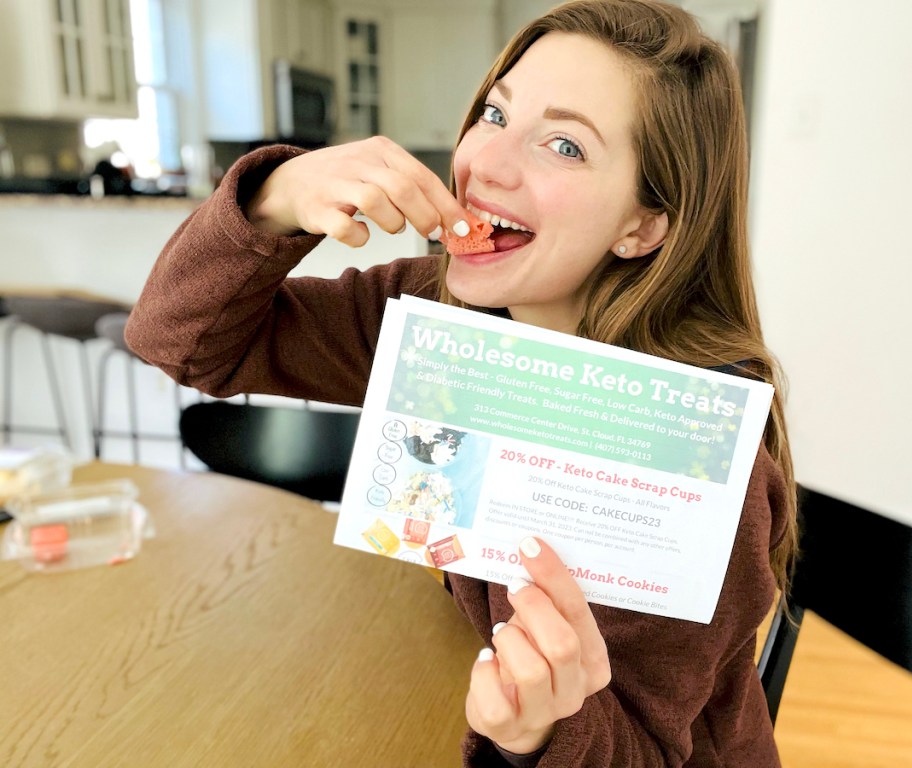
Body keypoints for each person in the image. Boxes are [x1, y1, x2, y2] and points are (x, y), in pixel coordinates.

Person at [126, 0, 798, 765]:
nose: (487, 164)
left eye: (565, 145)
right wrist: (275, 196)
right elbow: (179, 341)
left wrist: (539, 732)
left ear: (643, 226)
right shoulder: (434, 315)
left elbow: (650, 748)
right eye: (494, 112)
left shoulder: (695, 455)